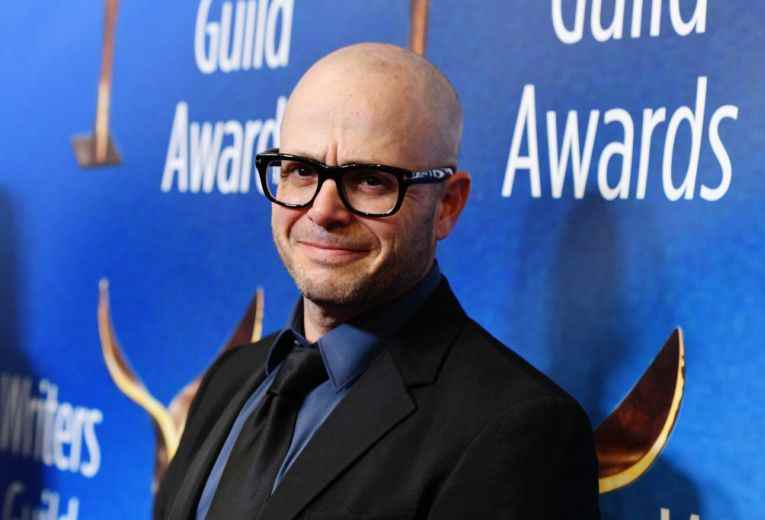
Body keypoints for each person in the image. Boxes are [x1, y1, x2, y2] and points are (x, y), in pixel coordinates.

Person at [154, 42, 601, 519]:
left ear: (447, 204)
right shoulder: (231, 378)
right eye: (302, 171)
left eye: (370, 180)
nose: (323, 210)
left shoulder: (519, 432)